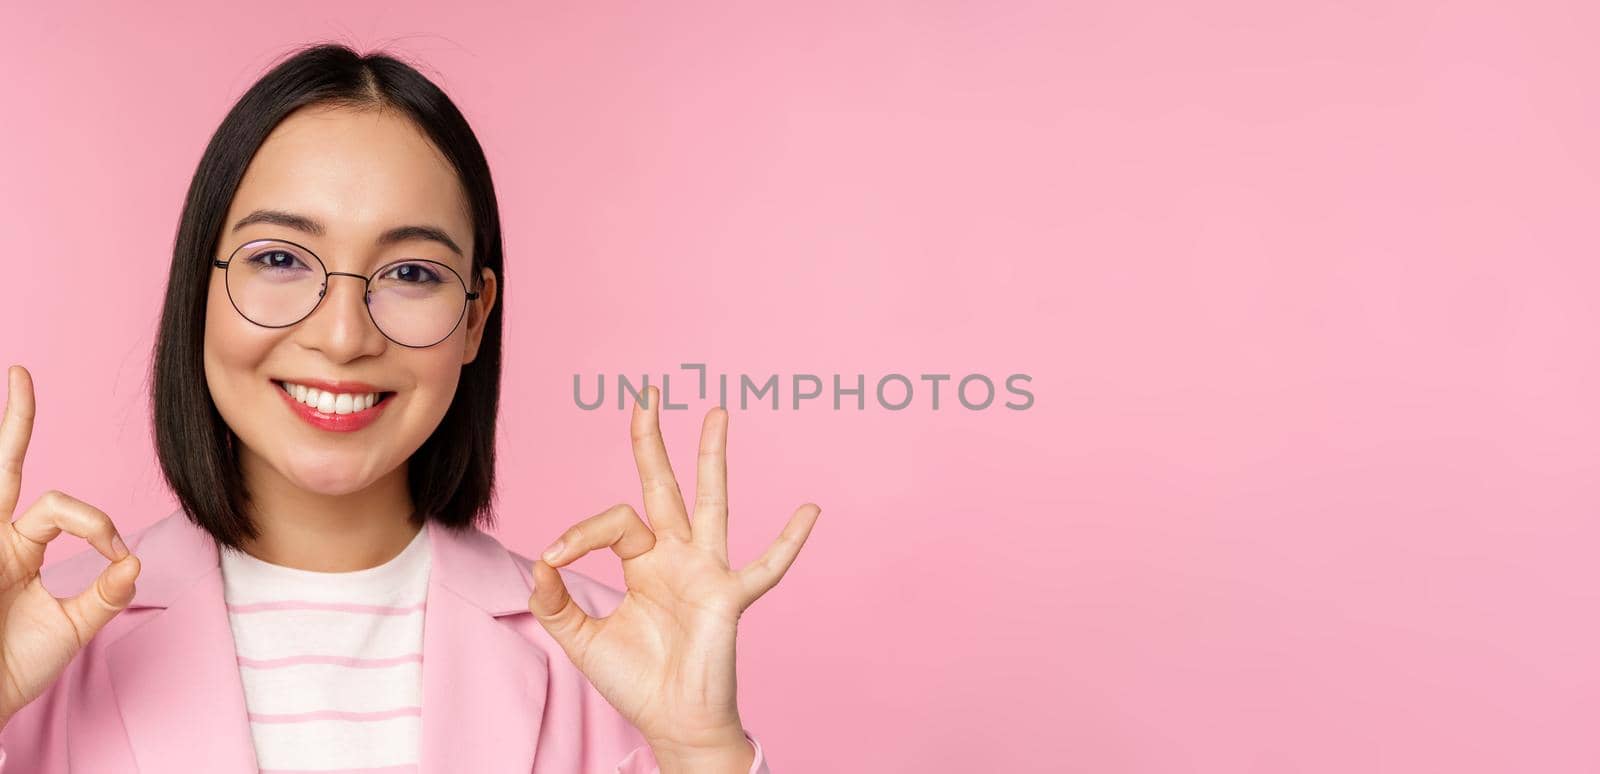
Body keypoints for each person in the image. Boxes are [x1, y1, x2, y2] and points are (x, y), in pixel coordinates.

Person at [0, 42, 819, 773]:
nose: (344, 335)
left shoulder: (618, 665)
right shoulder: (30, 652)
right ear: (199, 288)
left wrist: (702, 753)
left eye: (412, 274)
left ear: (474, 316)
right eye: (281, 258)